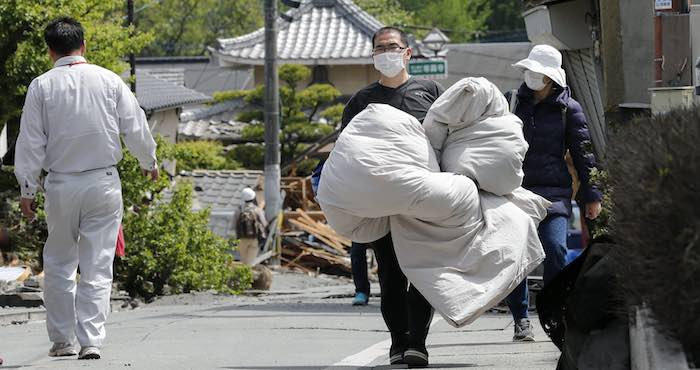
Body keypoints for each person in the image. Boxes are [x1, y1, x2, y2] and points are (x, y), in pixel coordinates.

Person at [14, 17, 158, 360]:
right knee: (97, 264)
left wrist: (27, 189)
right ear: (84, 45)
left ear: (50, 51)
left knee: (60, 262)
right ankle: (91, 340)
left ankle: (62, 340)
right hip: (103, 181)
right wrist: (147, 161)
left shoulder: (41, 86)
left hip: (61, 184)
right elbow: (135, 125)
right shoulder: (109, 79)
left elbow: (30, 142)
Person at [341, 26, 444, 367]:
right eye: (380, 48)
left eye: (393, 46)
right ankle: (399, 341)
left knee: (424, 272)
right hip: (381, 204)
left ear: (407, 52)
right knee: (391, 275)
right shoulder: (361, 101)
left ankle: (418, 342)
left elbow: (450, 140)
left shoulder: (430, 92)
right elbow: (346, 152)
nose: (386, 52)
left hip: (423, 200)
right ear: (373, 56)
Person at [504, 44, 603, 341]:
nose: (531, 77)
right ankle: (521, 318)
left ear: (551, 78)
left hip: (554, 194)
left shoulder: (568, 109)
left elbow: (584, 153)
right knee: (514, 256)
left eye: (538, 73)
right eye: (529, 71)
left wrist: (592, 195)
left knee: (556, 249)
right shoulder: (511, 102)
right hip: (514, 192)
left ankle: (555, 311)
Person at [237, 187, 268, 265]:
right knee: (251, 262)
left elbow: (233, 224)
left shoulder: (239, 209)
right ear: (253, 197)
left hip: (242, 238)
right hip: (254, 238)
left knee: (244, 261)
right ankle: (250, 275)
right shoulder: (257, 210)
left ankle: (245, 275)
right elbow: (264, 223)